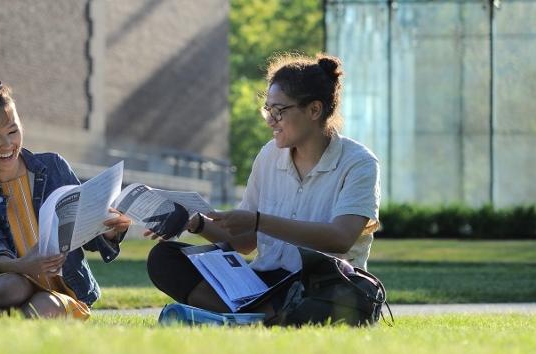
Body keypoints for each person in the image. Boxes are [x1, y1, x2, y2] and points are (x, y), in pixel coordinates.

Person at [146, 53, 381, 315]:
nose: (270, 120)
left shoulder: (358, 162)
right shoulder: (269, 155)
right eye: (268, 110)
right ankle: (260, 316)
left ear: (314, 110)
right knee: (164, 258)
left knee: (331, 295)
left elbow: (340, 238)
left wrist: (259, 221)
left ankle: (246, 316)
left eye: (279, 111)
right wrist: (196, 222)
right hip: (265, 283)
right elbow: (245, 242)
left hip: (324, 282)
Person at [0, 70, 131, 318]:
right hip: (9, 282)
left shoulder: (53, 168)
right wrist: (21, 265)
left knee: (44, 307)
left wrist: (110, 230)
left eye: (13, 131)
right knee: (11, 287)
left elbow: (88, 231)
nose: (7, 144)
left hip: (64, 289)